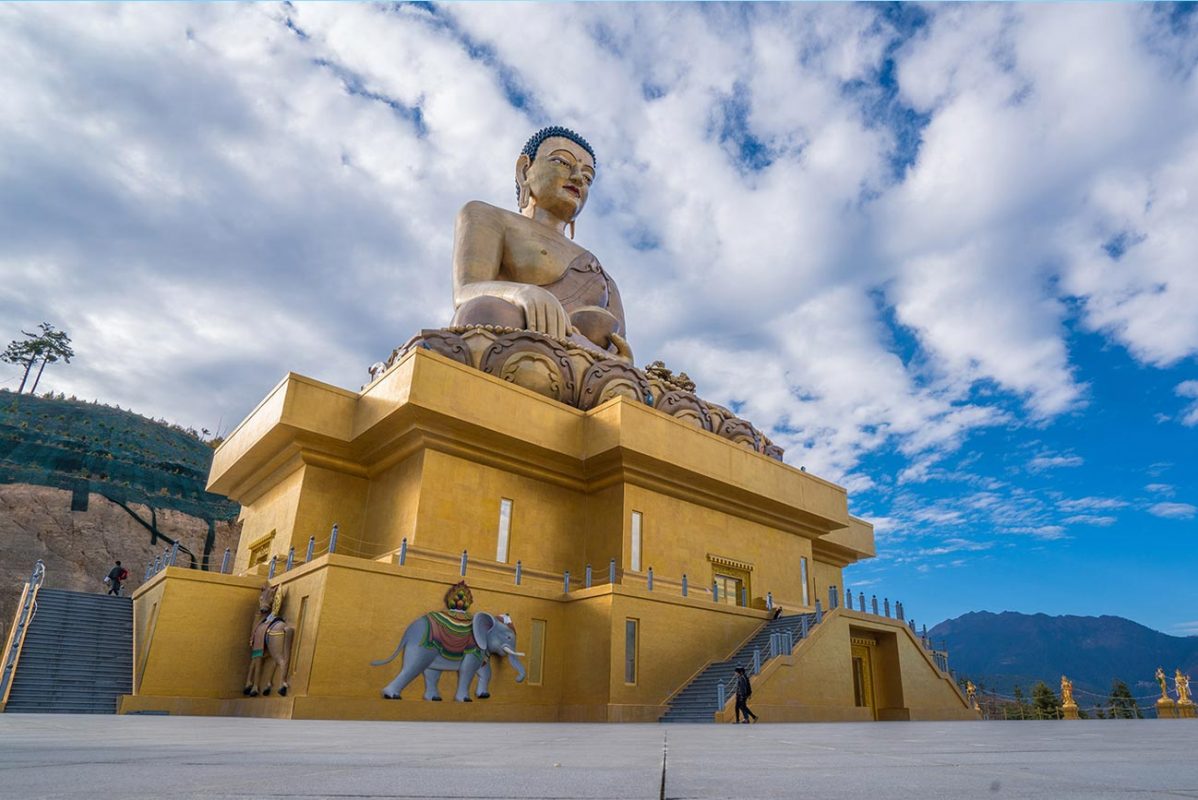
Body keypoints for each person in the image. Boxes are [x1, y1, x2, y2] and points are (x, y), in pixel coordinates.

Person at [450, 126, 633, 362]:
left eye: (588, 177)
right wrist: (522, 293)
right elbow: (465, 292)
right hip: (511, 337)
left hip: (582, 365)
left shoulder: (598, 273)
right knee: (481, 311)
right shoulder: (488, 216)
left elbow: (620, 351)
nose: (578, 178)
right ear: (524, 170)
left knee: (626, 378)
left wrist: (618, 360)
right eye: (562, 162)